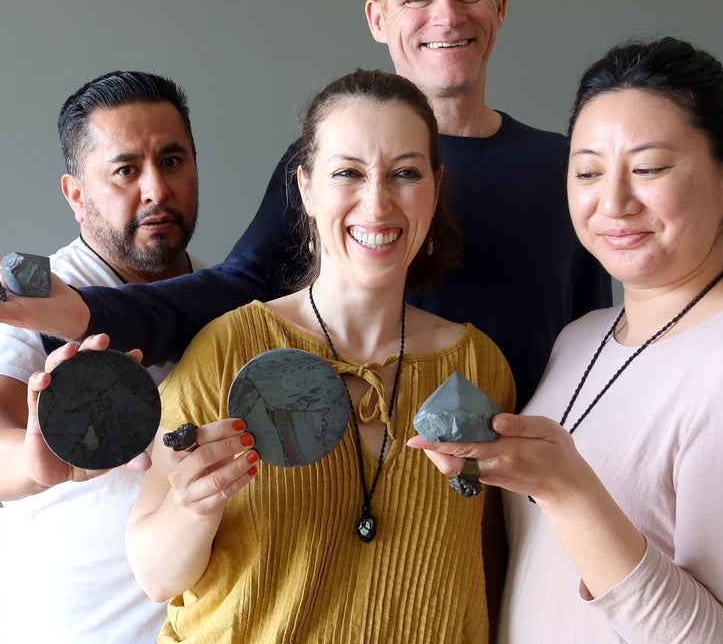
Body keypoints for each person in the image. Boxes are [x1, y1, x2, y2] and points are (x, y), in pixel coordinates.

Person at [0, 0, 610, 407]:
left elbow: (597, 349)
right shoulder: (320, 161)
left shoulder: (566, 170)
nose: (447, 16)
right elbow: (232, 291)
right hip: (361, 488)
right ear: (377, 18)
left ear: (502, 4)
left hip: (528, 502)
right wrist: (84, 312)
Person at [409, 37, 723, 643]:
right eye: (588, 170)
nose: (613, 202)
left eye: (648, 168)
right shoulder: (582, 338)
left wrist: (568, 489)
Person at [118, 68, 516, 643]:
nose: (376, 203)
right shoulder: (227, 350)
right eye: (347, 173)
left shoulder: (480, 368)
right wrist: (192, 505)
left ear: (435, 185)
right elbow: (156, 578)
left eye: (405, 173)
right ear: (306, 189)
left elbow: (490, 573)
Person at [0, 70, 206, 644]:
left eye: (172, 161)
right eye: (125, 170)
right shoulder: (40, 298)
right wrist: (35, 460)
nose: (156, 190)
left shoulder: (226, 302)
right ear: (75, 194)